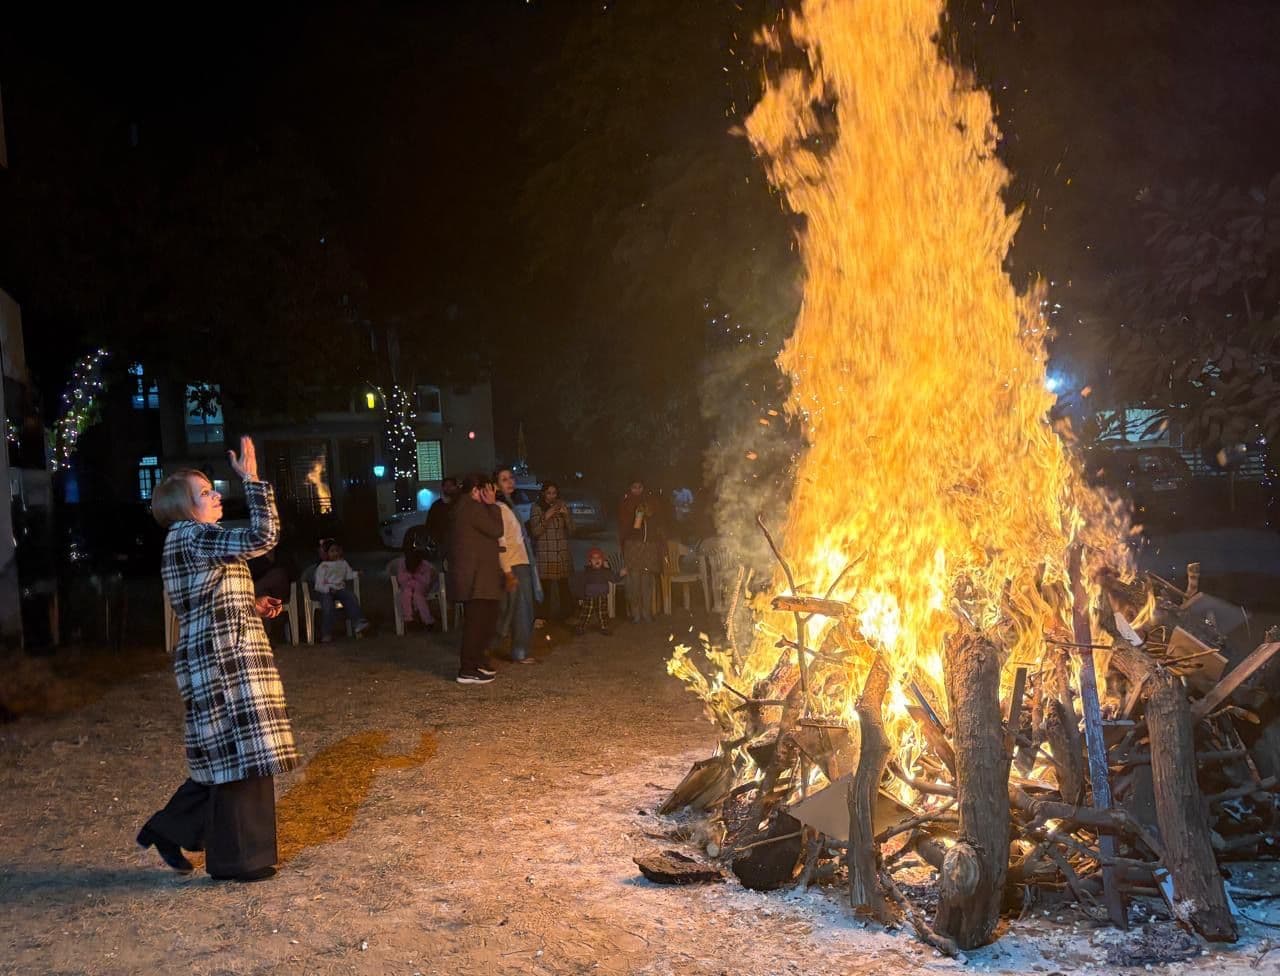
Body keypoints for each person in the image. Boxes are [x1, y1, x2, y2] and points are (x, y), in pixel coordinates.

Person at [138, 437, 296, 883]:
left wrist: (254, 603)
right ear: (184, 506)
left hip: (221, 656)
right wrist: (254, 482)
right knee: (240, 760)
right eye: (205, 492)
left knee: (227, 759)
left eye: (213, 489)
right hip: (222, 665)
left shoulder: (192, 541)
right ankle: (239, 861)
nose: (216, 496)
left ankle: (171, 828)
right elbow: (264, 537)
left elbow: (211, 599)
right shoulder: (191, 536)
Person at [448, 472, 504, 684]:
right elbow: (496, 529)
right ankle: (468, 668)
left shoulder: (464, 507)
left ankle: (478, 662)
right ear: (476, 490)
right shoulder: (472, 507)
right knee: (477, 623)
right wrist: (492, 505)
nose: (491, 494)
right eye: (487, 490)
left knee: (485, 621)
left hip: (478, 577)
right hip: (476, 579)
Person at [494, 467, 542, 663]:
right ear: (496, 485)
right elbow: (501, 541)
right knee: (521, 608)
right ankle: (519, 651)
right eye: (504, 479)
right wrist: (507, 571)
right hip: (514, 563)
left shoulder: (509, 505)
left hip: (522, 561)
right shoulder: (499, 507)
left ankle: (517, 648)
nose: (510, 482)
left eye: (511, 478)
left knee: (519, 608)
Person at [618, 479, 665, 623]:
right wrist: (637, 516)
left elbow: (658, 523)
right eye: (634, 487)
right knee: (633, 580)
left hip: (648, 547)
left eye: (640, 487)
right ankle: (635, 613)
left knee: (647, 581)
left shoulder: (651, 502)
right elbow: (625, 527)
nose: (637, 490)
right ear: (629, 488)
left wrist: (648, 513)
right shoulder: (625, 504)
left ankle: (647, 612)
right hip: (632, 546)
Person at [528, 482, 575, 623]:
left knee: (563, 586)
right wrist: (546, 516)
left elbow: (572, 530)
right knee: (545, 586)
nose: (551, 496)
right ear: (543, 493)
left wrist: (566, 516)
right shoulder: (536, 508)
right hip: (545, 554)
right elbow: (535, 531)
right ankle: (542, 616)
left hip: (561, 553)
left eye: (554, 493)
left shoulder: (562, 506)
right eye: (549, 493)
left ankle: (566, 615)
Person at [313, 540, 371, 642]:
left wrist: (357, 574)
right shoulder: (323, 566)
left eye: (336, 550)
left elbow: (348, 574)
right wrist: (329, 589)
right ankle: (326, 632)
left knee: (351, 597)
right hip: (326, 591)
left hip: (339, 589)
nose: (335, 553)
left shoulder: (343, 563)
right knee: (328, 606)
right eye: (332, 551)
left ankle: (359, 622)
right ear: (326, 553)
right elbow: (318, 585)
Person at [570, 547, 626, 635]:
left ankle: (605, 627)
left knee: (602, 613)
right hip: (589, 596)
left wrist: (621, 574)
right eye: (594, 558)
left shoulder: (606, 572)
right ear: (589, 561)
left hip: (602, 596)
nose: (596, 560)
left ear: (602, 560)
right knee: (586, 612)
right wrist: (581, 595)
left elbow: (614, 579)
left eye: (599, 558)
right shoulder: (587, 572)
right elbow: (581, 584)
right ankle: (581, 627)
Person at [397, 546, 438, 630]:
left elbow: (427, 581)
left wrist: (417, 576)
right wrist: (409, 576)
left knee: (418, 596)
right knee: (406, 593)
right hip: (407, 585)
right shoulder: (402, 564)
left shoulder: (426, 566)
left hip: (421, 586)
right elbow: (400, 579)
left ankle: (428, 620)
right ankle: (408, 618)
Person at [419, 476, 460, 557]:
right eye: (446, 486)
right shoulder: (436, 506)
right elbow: (429, 524)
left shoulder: (461, 503)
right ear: (442, 487)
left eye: (451, 485)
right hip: (442, 543)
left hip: (459, 541)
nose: (448, 488)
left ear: (455, 487)